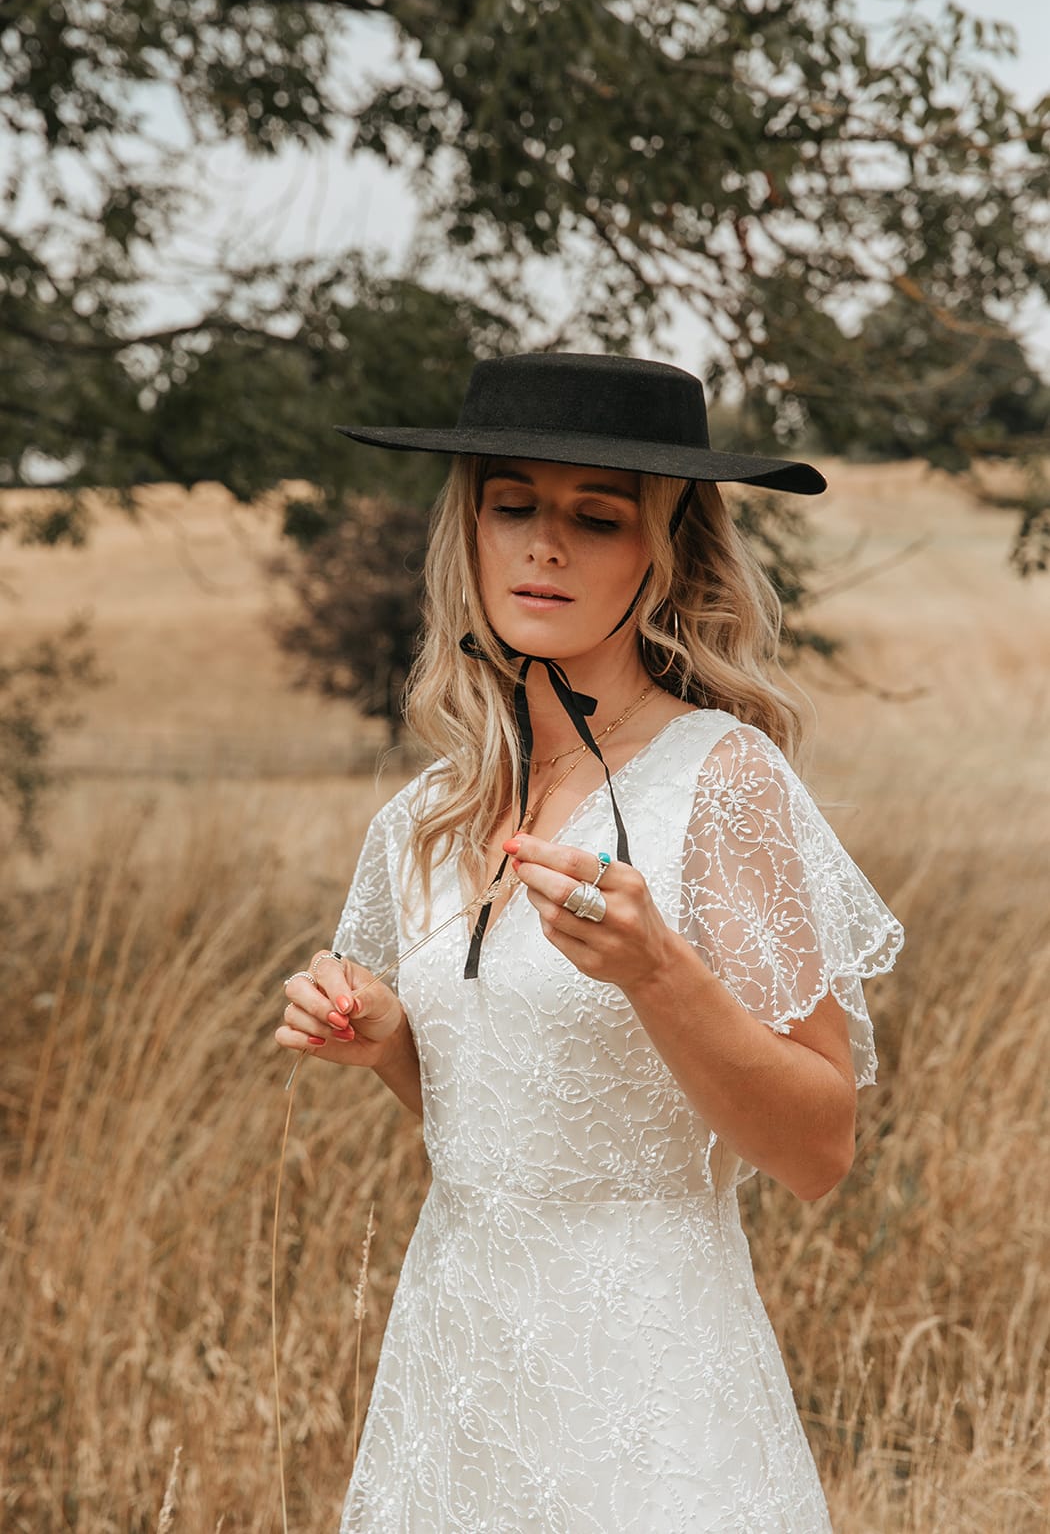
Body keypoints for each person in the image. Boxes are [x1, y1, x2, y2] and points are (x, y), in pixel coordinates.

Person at [276, 353, 904, 1532]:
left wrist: (658, 972)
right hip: (457, 1374)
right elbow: (515, 1132)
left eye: (597, 517)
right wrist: (391, 1044)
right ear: (469, 530)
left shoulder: (721, 782)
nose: (544, 546)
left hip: (649, 1384)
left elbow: (820, 1150)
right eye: (511, 505)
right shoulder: (425, 816)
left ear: (664, 555)